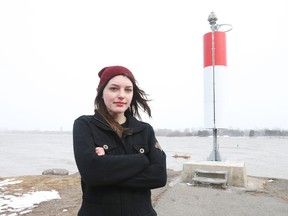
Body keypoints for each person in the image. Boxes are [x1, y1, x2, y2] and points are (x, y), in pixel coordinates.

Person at [73, 65, 167, 216]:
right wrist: (141, 160)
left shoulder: (145, 130)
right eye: (114, 88)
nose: (122, 95)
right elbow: (91, 174)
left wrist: (106, 170)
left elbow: (159, 176)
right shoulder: (85, 125)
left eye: (128, 90)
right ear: (101, 92)